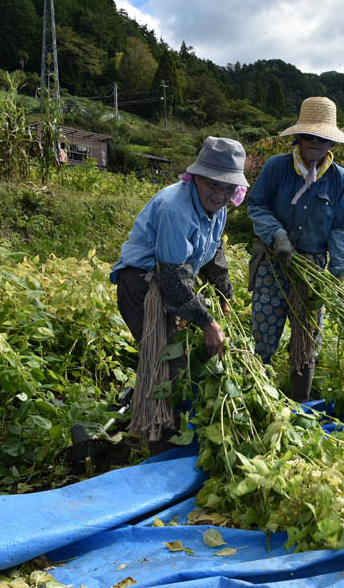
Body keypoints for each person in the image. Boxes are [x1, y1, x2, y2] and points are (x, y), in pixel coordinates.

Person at [109, 136, 248, 454]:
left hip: (168, 284)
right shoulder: (176, 208)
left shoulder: (218, 207)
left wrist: (225, 294)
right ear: (197, 176)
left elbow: (215, 254)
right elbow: (173, 281)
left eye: (228, 187)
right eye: (213, 184)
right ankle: (161, 444)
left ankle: (147, 407)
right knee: (167, 359)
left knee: (178, 356)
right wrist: (207, 322)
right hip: (142, 287)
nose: (220, 193)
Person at [247, 97, 344, 402]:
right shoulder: (277, 168)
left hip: (312, 267)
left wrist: (342, 272)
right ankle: (258, 397)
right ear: (299, 137)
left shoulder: (340, 180)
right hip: (272, 260)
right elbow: (256, 205)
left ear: (331, 141)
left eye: (323, 138)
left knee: (307, 337)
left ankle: (300, 404)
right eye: (310, 136)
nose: (316, 143)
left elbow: (340, 229)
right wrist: (276, 234)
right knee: (265, 329)